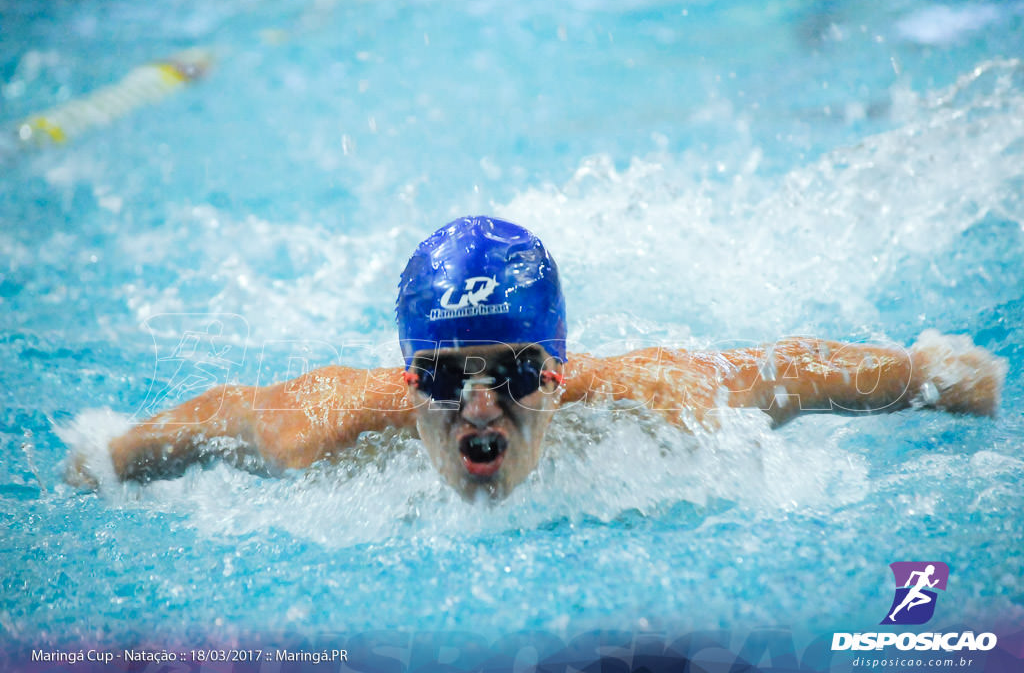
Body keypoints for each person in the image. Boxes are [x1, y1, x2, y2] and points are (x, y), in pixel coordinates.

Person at [66, 216, 1007, 500]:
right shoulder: (323, 429)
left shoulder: (651, 399)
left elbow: (780, 370)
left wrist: (926, 374)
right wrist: (108, 457)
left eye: (513, 372)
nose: (479, 410)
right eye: (443, 376)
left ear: (558, 370)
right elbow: (230, 409)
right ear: (407, 379)